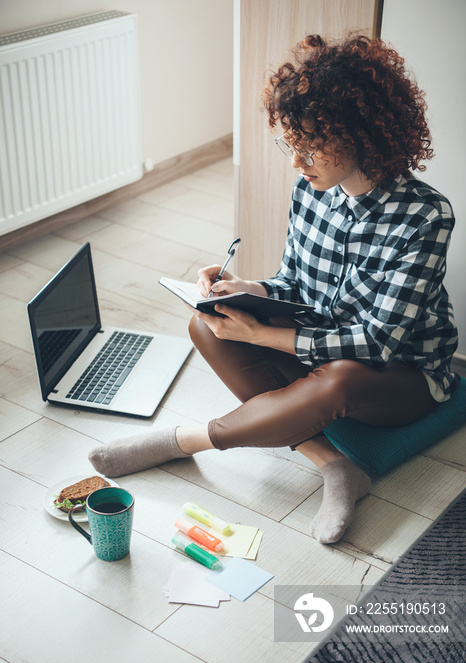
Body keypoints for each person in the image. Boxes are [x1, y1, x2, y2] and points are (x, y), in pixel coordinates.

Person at [89, 34, 458, 544]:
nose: (296, 162)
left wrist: (263, 337)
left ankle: (184, 441)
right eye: (292, 144)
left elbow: (378, 344)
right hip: (319, 348)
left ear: (362, 135)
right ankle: (334, 465)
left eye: (310, 147)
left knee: (337, 381)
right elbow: (295, 283)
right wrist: (246, 289)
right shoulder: (311, 189)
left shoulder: (425, 216)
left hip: (402, 376)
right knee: (208, 324)